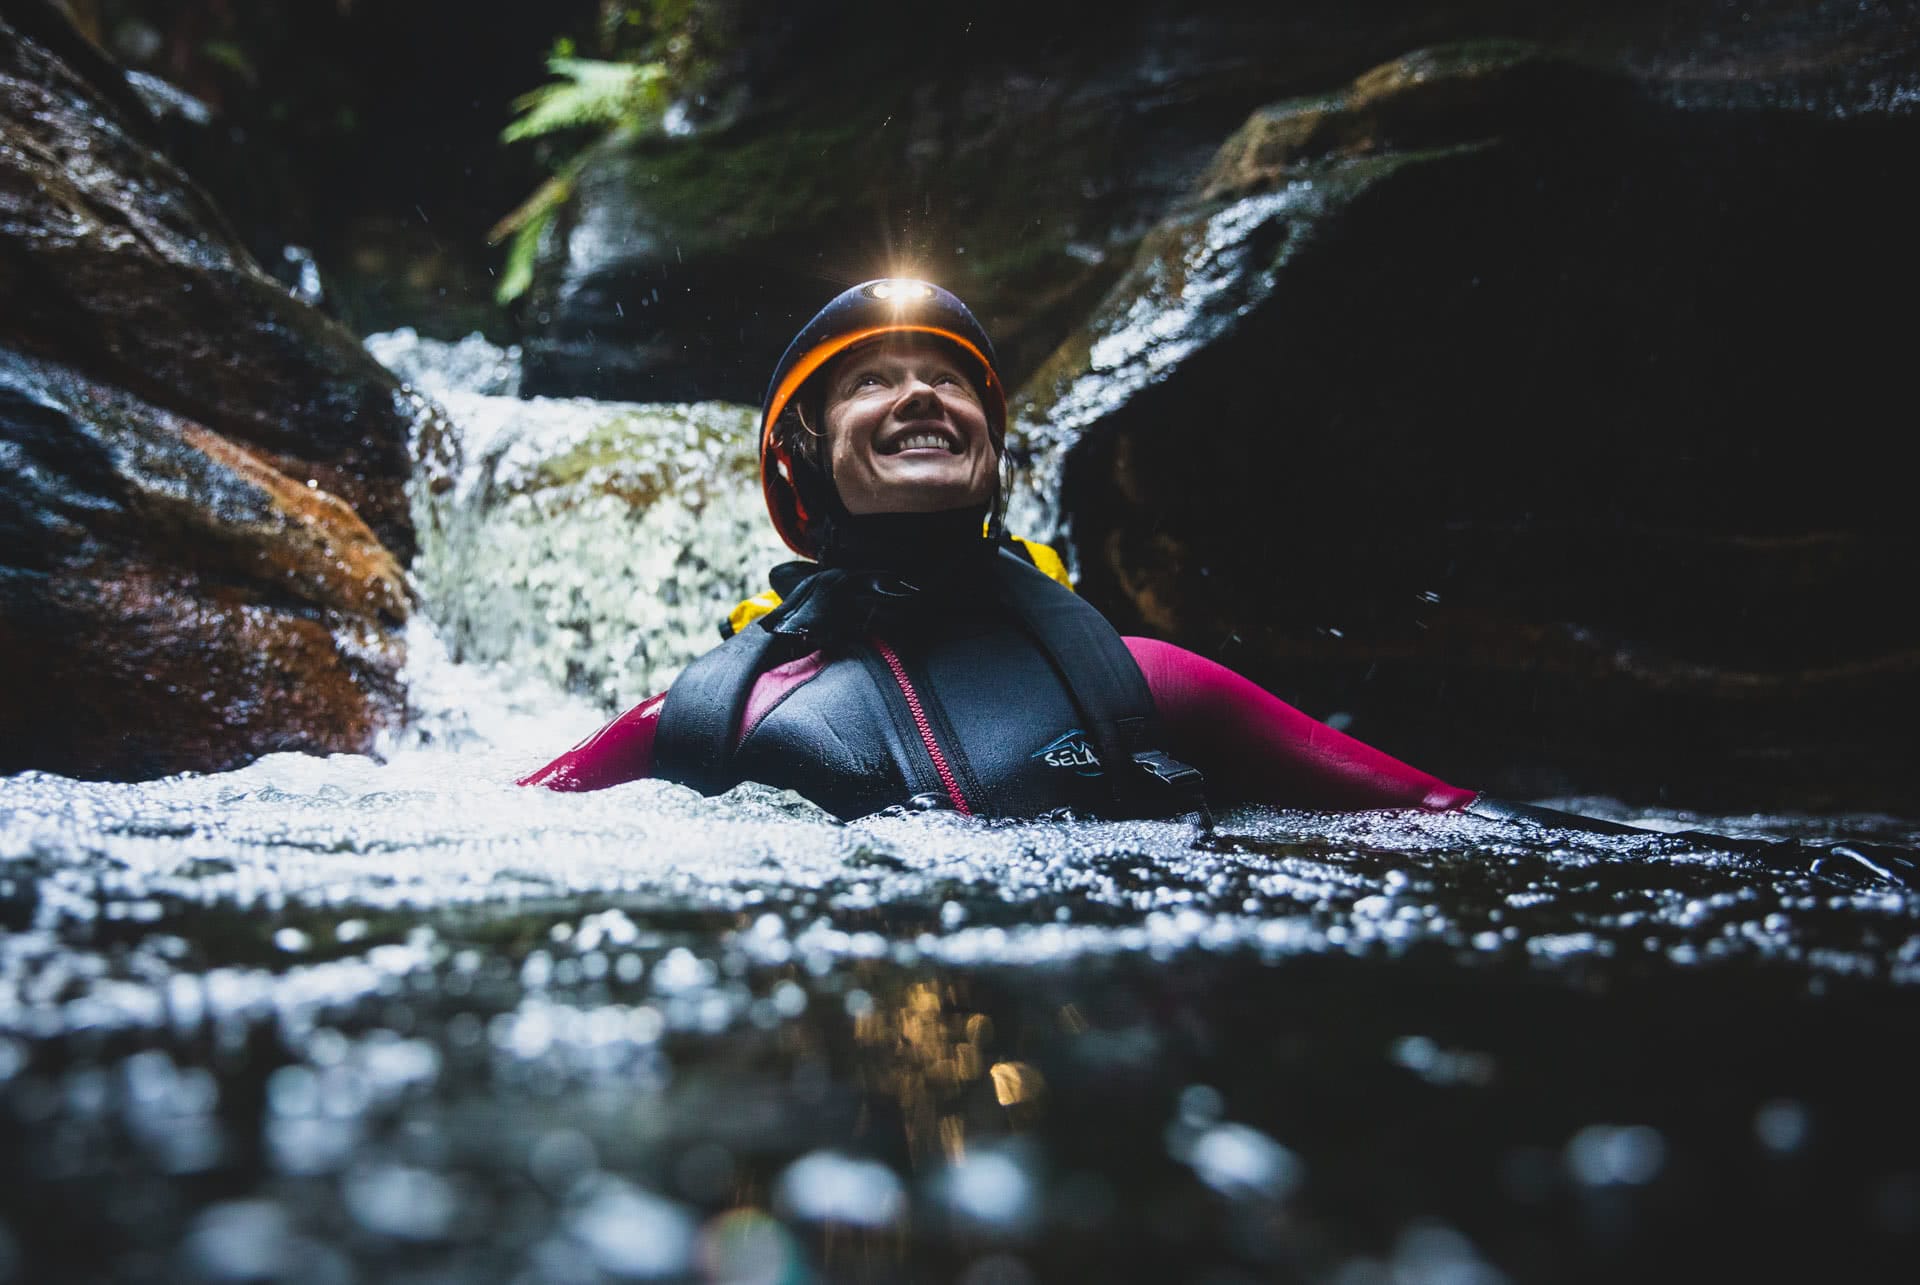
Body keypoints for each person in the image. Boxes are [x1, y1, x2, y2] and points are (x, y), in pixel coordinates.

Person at [519, 277, 1489, 824]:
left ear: (990, 450)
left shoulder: (1151, 685)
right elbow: (498, 831)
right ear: (800, 461)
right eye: (870, 382)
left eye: (948, 378)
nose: (920, 395)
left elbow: (1453, 820)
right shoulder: (706, 717)